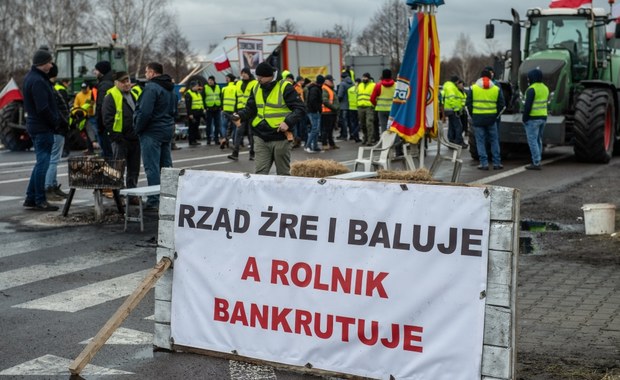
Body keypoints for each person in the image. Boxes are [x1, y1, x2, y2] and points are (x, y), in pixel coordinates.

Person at [233, 62, 306, 175]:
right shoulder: (256, 87)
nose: (258, 79)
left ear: (270, 75)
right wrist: (240, 115)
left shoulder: (285, 87)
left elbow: (300, 108)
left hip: (280, 136)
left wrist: (288, 122)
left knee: (283, 174)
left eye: (261, 77)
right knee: (260, 173)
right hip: (260, 136)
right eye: (257, 76)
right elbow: (250, 108)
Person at [133, 62, 177, 210]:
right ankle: (169, 197)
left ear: (152, 73)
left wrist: (138, 128)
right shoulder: (170, 88)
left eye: (146, 72)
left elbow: (145, 112)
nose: (146, 75)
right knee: (166, 166)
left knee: (151, 167)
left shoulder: (151, 88)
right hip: (166, 130)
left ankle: (154, 200)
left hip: (152, 132)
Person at [22, 48, 61, 211]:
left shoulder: (31, 78)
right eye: (49, 62)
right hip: (42, 127)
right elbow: (43, 108)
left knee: (40, 163)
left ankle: (31, 198)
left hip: (35, 125)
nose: (51, 65)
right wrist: (55, 122)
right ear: (42, 64)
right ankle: (39, 199)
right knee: (43, 164)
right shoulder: (38, 81)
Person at [102, 71, 141, 200]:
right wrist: (117, 137)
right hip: (120, 139)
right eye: (123, 81)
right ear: (116, 83)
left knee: (134, 170)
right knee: (118, 170)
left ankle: (132, 195)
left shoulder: (134, 94)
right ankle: (119, 198)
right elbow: (107, 119)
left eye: (128, 80)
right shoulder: (111, 96)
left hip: (134, 138)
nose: (126, 84)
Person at [466, 68, 505, 171]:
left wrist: (473, 115)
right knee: (494, 141)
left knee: (480, 141)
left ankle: (484, 164)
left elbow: (468, 104)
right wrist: (495, 115)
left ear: (480, 77)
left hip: (478, 119)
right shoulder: (496, 88)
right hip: (491, 119)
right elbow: (502, 104)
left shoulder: (473, 88)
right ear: (490, 77)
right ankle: (497, 163)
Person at [45, 64, 70, 202]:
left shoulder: (50, 88)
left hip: (56, 128)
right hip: (57, 129)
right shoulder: (52, 90)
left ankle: (53, 186)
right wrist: (63, 123)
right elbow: (60, 111)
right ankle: (49, 187)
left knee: (53, 159)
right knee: (53, 160)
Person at [522, 68, 549, 170]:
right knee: (538, 140)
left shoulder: (531, 89)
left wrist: (524, 118)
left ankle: (536, 162)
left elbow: (527, 106)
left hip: (532, 119)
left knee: (532, 141)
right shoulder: (545, 88)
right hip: (543, 117)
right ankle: (538, 160)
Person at [229, 68, 258, 161]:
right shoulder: (238, 83)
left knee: (251, 133)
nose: (244, 75)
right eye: (242, 73)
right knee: (238, 132)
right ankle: (235, 153)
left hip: (251, 111)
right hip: (240, 111)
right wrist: (235, 111)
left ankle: (252, 153)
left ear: (249, 74)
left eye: (245, 73)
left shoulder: (255, 83)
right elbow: (236, 98)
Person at [93, 60, 114, 159]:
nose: (94, 72)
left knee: (108, 153)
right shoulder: (110, 81)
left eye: (96, 70)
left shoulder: (104, 85)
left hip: (105, 125)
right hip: (109, 123)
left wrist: (100, 125)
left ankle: (111, 174)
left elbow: (101, 106)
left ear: (101, 71)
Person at [443, 75, 468, 148]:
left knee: (452, 126)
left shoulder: (450, 87)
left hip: (450, 109)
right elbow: (452, 99)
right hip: (453, 110)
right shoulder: (452, 88)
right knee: (458, 127)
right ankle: (458, 142)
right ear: (456, 81)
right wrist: (456, 109)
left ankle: (452, 142)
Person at [73, 82, 97, 154]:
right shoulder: (78, 95)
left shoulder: (91, 93)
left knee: (92, 131)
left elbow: (92, 103)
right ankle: (90, 149)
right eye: (82, 88)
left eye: (85, 88)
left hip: (91, 115)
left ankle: (94, 145)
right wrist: (78, 112)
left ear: (88, 87)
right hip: (82, 117)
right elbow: (76, 105)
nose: (84, 90)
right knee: (86, 133)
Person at [370, 68, 396, 134]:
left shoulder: (378, 85)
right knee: (393, 126)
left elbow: (372, 99)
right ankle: (395, 142)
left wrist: (376, 104)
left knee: (383, 126)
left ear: (382, 76)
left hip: (381, 110)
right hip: (393, 110)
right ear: (391, 75)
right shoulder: (396, 85)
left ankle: (385, 142)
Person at [304, 75, 324, 153]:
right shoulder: (315, 89)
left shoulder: (314, 88)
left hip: (313, 111)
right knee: (315, 129)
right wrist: (318, 109)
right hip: (313, 111)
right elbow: (313, 101)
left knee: (316, 129)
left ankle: (315, 146)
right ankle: (308, 145)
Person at [321, 74, 339, 150]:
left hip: (331, 112)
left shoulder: (329, 88)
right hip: (327, 112)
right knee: (326, 129)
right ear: (326, 81)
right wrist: (334, 107)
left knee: (330, 129)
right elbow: (325, 101)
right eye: (331, 81)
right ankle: (325, 144)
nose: (332, 82)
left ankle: (331, 144)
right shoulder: (325, 89)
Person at [184, 81, 205, 146]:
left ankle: (195, 140)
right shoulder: (188, 94)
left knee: (196, 127)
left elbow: (200, 102)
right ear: (192, 86)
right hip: (193, 113)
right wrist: (190, 114)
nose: (197, 87)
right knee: (192, 128)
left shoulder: (198, 93)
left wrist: (202, 110)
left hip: (198, 113)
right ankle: (191, 141)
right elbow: (188, 105)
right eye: (196, 86)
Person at [220, 73, 237, 149]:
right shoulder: (237, 88)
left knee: (224, 126)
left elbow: (221, 99)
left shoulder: (224, 89)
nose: (226, 79)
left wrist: (222, 108)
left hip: (225, 110)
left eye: (227, 78)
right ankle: (234, 141)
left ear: (230, 79)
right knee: (234, 127)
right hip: (234, 110)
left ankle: (224, 139)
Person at [357, 72, 375, 145]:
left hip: (369, 107)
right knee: (362, 124)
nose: (364, 79)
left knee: (369, 123)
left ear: (369, 78)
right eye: (363, 77)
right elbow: (357, 96)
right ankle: (365, 137)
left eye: (365, 77)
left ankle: (370, 140)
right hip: (360, 107)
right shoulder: (360, 85)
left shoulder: (373, 85)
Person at [204, 75, 222, 145]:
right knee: (209, 125)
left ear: (214, 81)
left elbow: (220, 96)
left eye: (211, 80)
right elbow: (202, 98)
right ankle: (208, 139)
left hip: (217, 108)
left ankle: (216, 139)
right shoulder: (205, 87)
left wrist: (220, 106)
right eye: (209, 80)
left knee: (217, 125)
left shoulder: (218, 87)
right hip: (209, 109)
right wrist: (205, 107)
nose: (210, 81)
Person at [337, 71, 354, 140]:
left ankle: (344, 135)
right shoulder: (352, 83)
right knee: (351, 121)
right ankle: (352, 134)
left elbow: (340, 95)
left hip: (343, 105)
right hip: (351, 105)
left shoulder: (342, 84)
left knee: (344, 121)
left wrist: (338, 101)